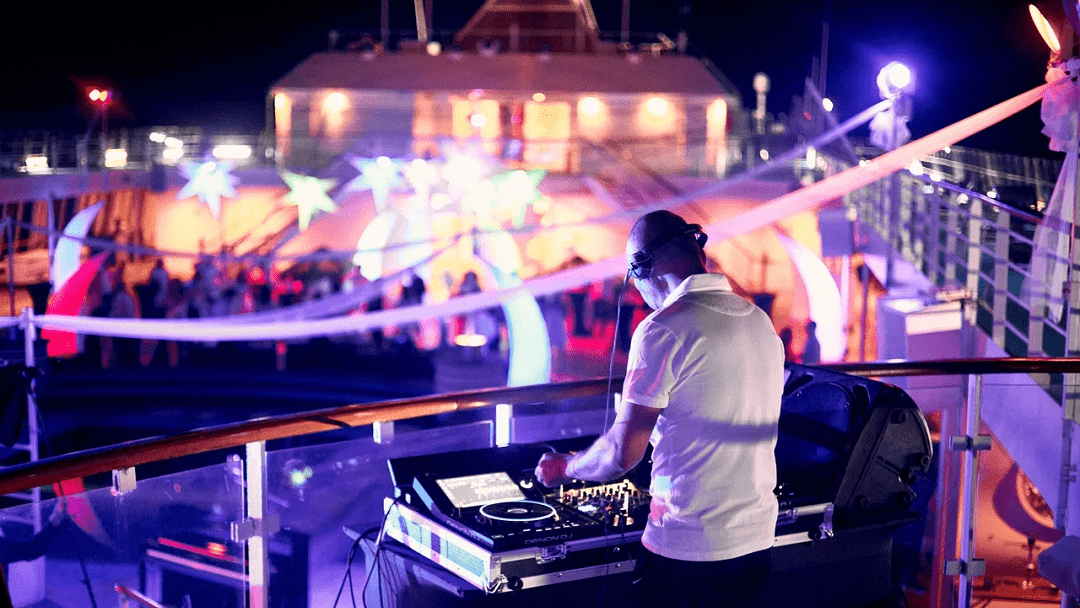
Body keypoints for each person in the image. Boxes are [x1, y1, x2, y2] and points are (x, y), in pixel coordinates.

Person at [534, 210, 785, 608]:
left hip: (687, 550)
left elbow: (621, 455)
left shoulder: (663, 328)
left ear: (642, 266)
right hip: (756, 543)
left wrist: (565, 468)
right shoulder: (759, 322)